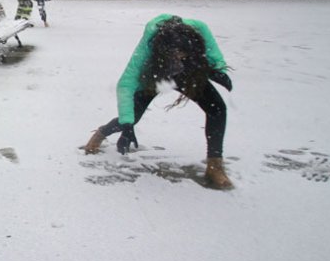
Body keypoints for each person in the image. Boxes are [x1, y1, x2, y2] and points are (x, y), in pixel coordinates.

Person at [82, 14, 234, 189]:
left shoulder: (199, 29)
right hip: (156, 73)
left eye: (182, 54)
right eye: (175, 55)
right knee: (132, 118)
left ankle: (215, 166)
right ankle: (101, 133)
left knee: (217, 109)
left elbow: (214, 53)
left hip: (191, 71)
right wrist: (127, 123)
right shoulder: (150, 43)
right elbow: (126, 83)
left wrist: (218, 69)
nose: (179, 58)